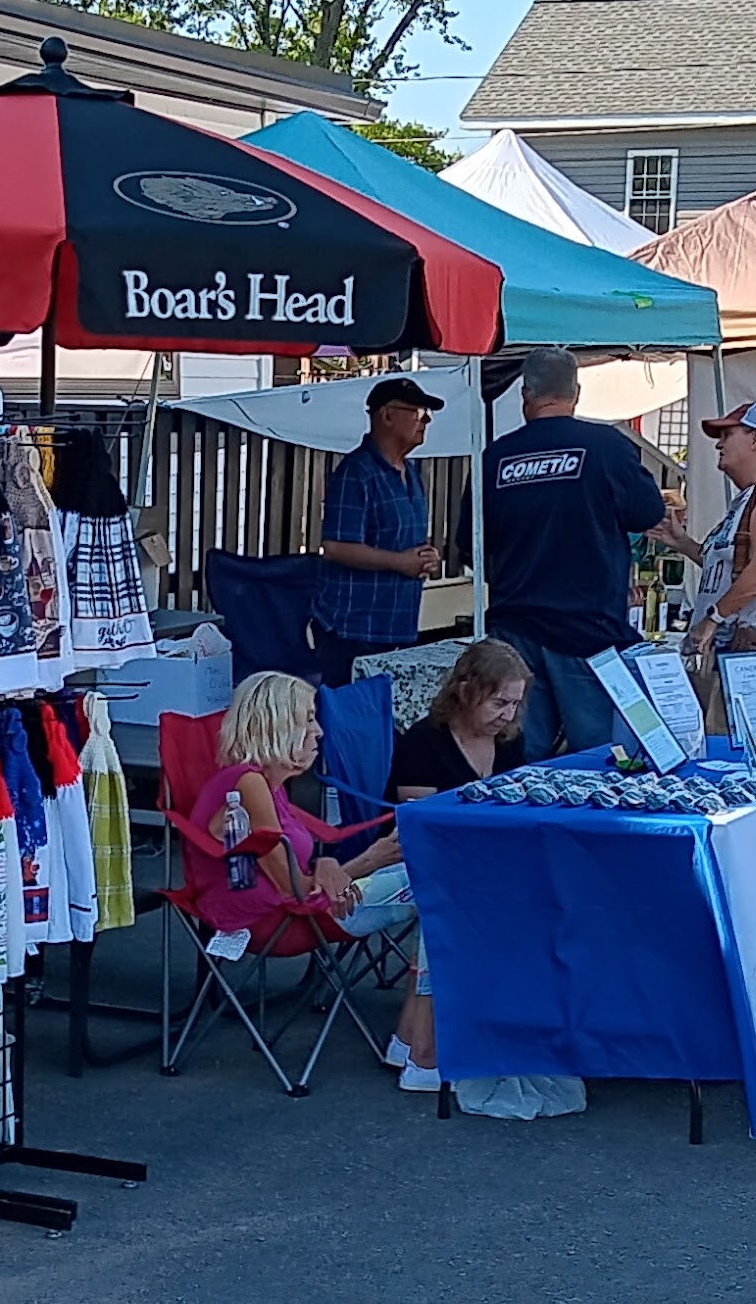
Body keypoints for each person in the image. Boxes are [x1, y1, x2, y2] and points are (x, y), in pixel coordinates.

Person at [192, 670, 440, 1092]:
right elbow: (293, 889)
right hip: (276, 917)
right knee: (440, 890)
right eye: (307, 719)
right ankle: (422, 1052)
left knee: (436, 884)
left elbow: (299, 868)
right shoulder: (247, 785)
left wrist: (329, 866)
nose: (319, 731)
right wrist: (368, 859)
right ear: (277, 725)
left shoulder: (266, 784)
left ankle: (410, 1042)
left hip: (298, 902)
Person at [470, 346, 670, 759]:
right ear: (575, 393)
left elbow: (471, 546)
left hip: (515, 629)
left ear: (525, 394)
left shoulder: (496, 458)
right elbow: (648, 512)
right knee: (598, 758)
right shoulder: (606, 447)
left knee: (521, 759)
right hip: (587, 632)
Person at [658, 403, 756, 695]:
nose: (719, 444)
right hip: (736, 647)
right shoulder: (749, 496)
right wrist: (682, 543)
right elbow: (732, 567)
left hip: (749, 650)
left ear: (755, 438)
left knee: (730, 736)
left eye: (727, 434)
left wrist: (712, 619)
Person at [309, 376, 445, 686]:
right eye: (417, 411)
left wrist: (426, 557)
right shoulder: (356, 473)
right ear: (386, 415)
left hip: (397, 626)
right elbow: (335, 547)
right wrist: (399, 562)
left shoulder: (410, 472)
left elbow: (401, 542)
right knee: (353, 724)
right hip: (355, 632)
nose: (425, 420)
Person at [390, 638, 533, 799]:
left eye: (515, 703)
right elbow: (420, 817)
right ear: (465, 692)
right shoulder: (420, 744)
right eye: (500, 703)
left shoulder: (509, 737)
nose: (509, 716)